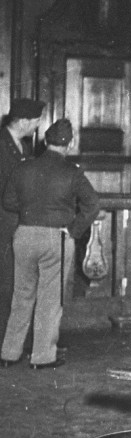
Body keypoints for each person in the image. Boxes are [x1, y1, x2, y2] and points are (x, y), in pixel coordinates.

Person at [0, 119, 99, 369]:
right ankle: (42, 356)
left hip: (23, 235)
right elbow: (92, 205)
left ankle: (9, 353)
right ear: (70, 143)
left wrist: (31, 212)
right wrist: (74, 229)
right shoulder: (72, 172)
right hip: (56, 237)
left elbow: (9, 202)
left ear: (46, 141)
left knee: (21, 295)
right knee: (49, 299)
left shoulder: (24, 167)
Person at [0, 98, 45, 339]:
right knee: (5, 285)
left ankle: (13, 341)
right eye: (36, 122)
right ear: (24, 121)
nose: (37, 127)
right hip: (3, 225)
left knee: (18, 285)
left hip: (19, 225)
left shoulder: (24, 146)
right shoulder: (1, 145)